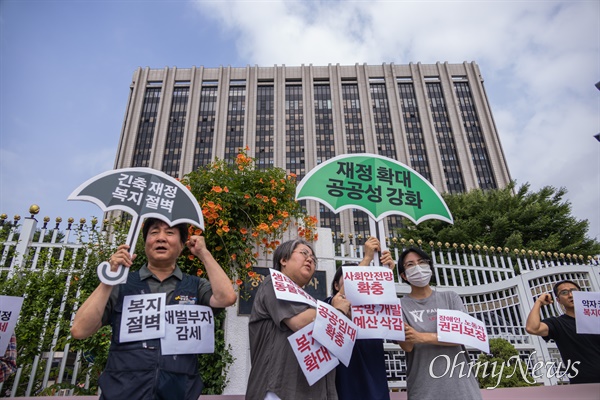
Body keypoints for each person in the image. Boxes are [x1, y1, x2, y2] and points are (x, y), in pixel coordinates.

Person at [71, 218, 237, 400]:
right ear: (145, 243)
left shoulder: (195, 285)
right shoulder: (121, 284)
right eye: (154, 232)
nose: (161, 238)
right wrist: (110, 278)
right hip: (122, 392)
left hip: (179, 392)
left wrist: (204, 253)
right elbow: (80, 330)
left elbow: (227, 297)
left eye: (170, 233)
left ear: (182, 245)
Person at [246, 239, 348, 400]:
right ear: (284, 260)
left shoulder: (310, 302)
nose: (310, 259)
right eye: (304, 253)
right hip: (277, 390)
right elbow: (298, 322)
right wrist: (333, 310)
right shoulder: (274, 284)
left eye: (313, 259)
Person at [397, 247, 482, 400]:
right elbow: (407, 345)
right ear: (404, 275)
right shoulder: (400, 305)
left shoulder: (450, 298)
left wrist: (421, 337)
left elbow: (462, 336)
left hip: (462, 388)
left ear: (429, 266)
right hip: (424, 390)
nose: (418, 267)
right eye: (410, 264)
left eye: (421, 262)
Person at [326, 237, 394, 400]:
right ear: (336, 286)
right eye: (349, 275)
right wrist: (367, 259)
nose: (360, 278)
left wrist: (386, 275)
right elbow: (344, 295)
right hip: (342, 391)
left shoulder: (376, 310)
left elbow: (407, 342)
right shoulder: (328, 306)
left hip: (376, 392)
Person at [525, 279, 600, 384]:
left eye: (574, 291)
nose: (570, 295)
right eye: (564, 293)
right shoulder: (558, 323)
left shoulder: (596, 319)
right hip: (584, 385)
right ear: (558, 300)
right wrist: (539, 302)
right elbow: (532, 328)